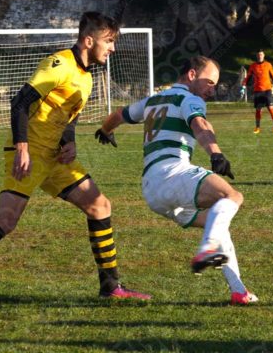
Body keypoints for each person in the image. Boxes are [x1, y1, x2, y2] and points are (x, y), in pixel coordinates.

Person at [0, 12, 151, 317]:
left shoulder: (87, 77)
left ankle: (111, 287)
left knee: (100, 206)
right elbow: (20, 102)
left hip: (55, 157)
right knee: (6, 220)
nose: (113, 48)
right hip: (30, 152)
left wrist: (69, 142)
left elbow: (68, 117)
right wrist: (22, 147)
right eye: (109, 41)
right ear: (89, 41)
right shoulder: (58, 64)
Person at [95, 56, 258, 305]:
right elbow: (199, 124)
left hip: (152, 189)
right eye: (210, 82)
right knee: (232, 197)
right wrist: (216, 154)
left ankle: (239, 291)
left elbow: (119, 114)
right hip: (173, 173)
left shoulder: (153, 100)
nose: (212, 89)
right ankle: (208, 248)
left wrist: (105, 130)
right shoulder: (189, 99)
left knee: (217, 220)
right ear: (192, 75)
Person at [241, 49, 273, 134]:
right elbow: (248, 77)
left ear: (264, 56)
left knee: (270, 107)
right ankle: (257, 128)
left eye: (261, 55)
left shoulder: (268, 65)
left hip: (267, 90)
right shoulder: (253, 66)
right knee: (258, 109)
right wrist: (243, 86)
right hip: (258, 90)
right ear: (257, 56)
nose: (260, 56)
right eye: (258, 55)